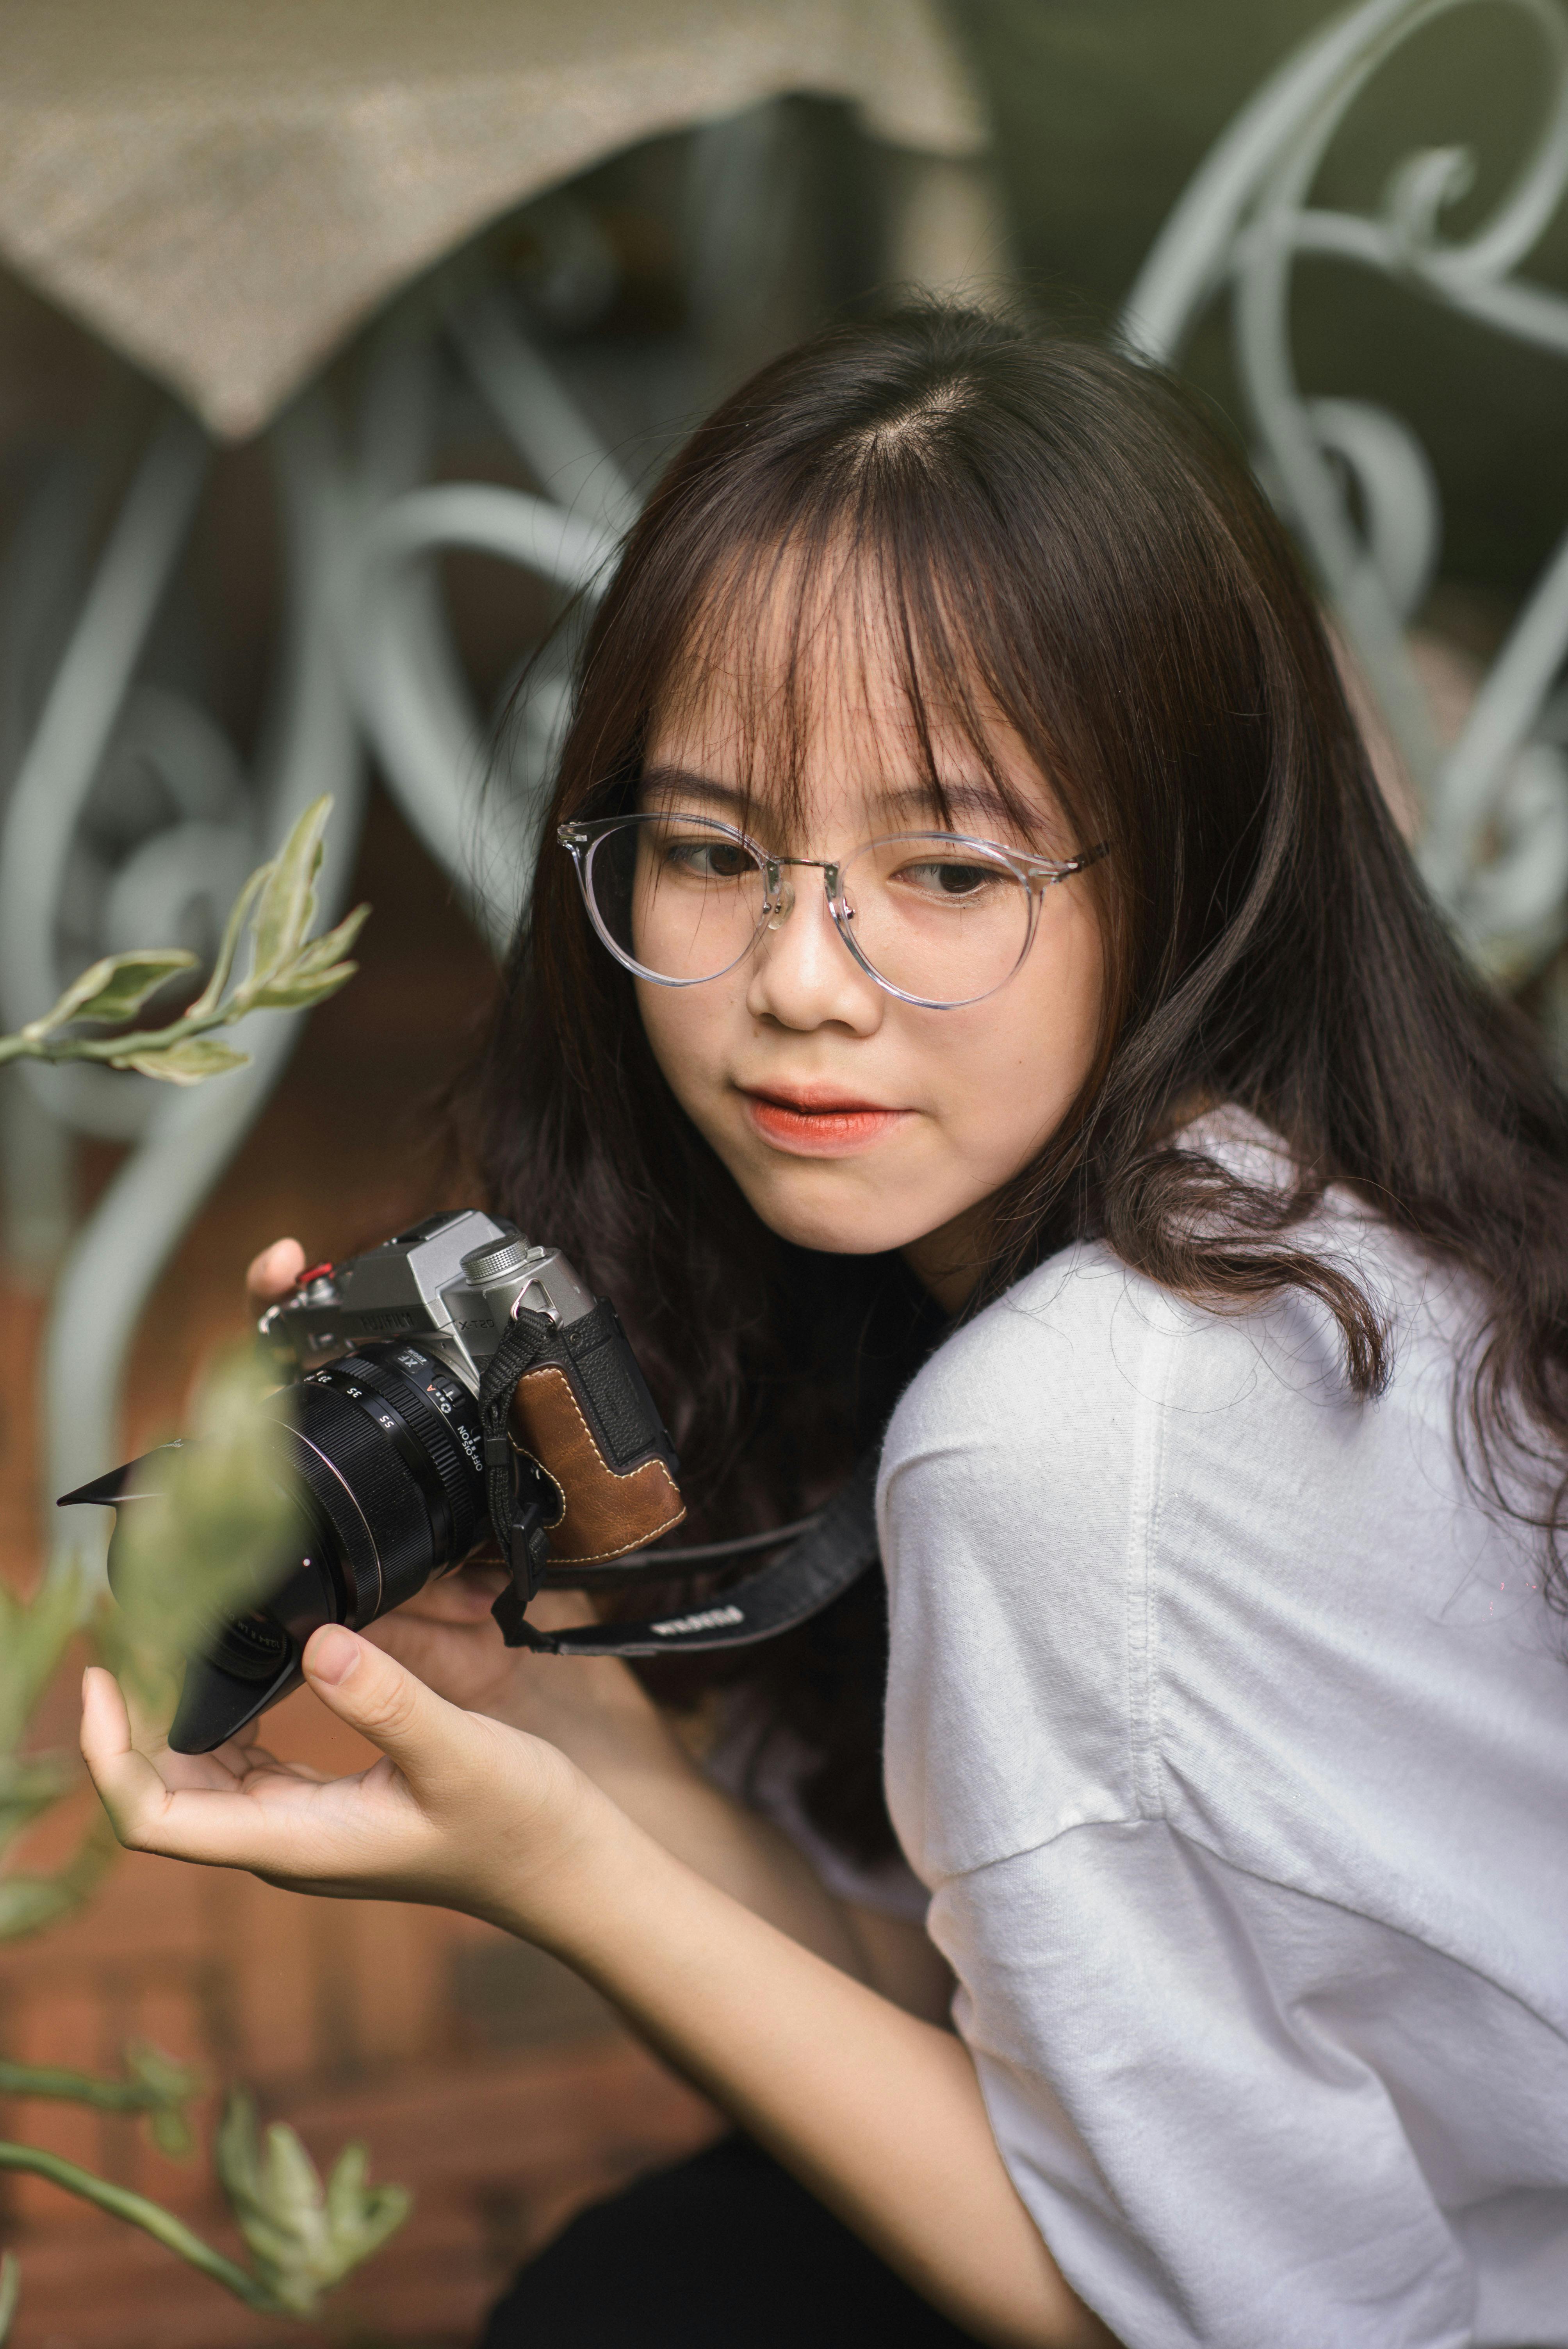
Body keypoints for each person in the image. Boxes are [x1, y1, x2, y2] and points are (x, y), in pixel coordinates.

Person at [81, 307, 1568, 2349]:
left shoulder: (1068, 1433)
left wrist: (562, 1878)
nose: (797, 976)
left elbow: (1232, 2313)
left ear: (1193, 866)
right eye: (709, 848)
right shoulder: (1336, 1175)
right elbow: (1035, 2025)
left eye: (944, 865)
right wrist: (586, 1748)